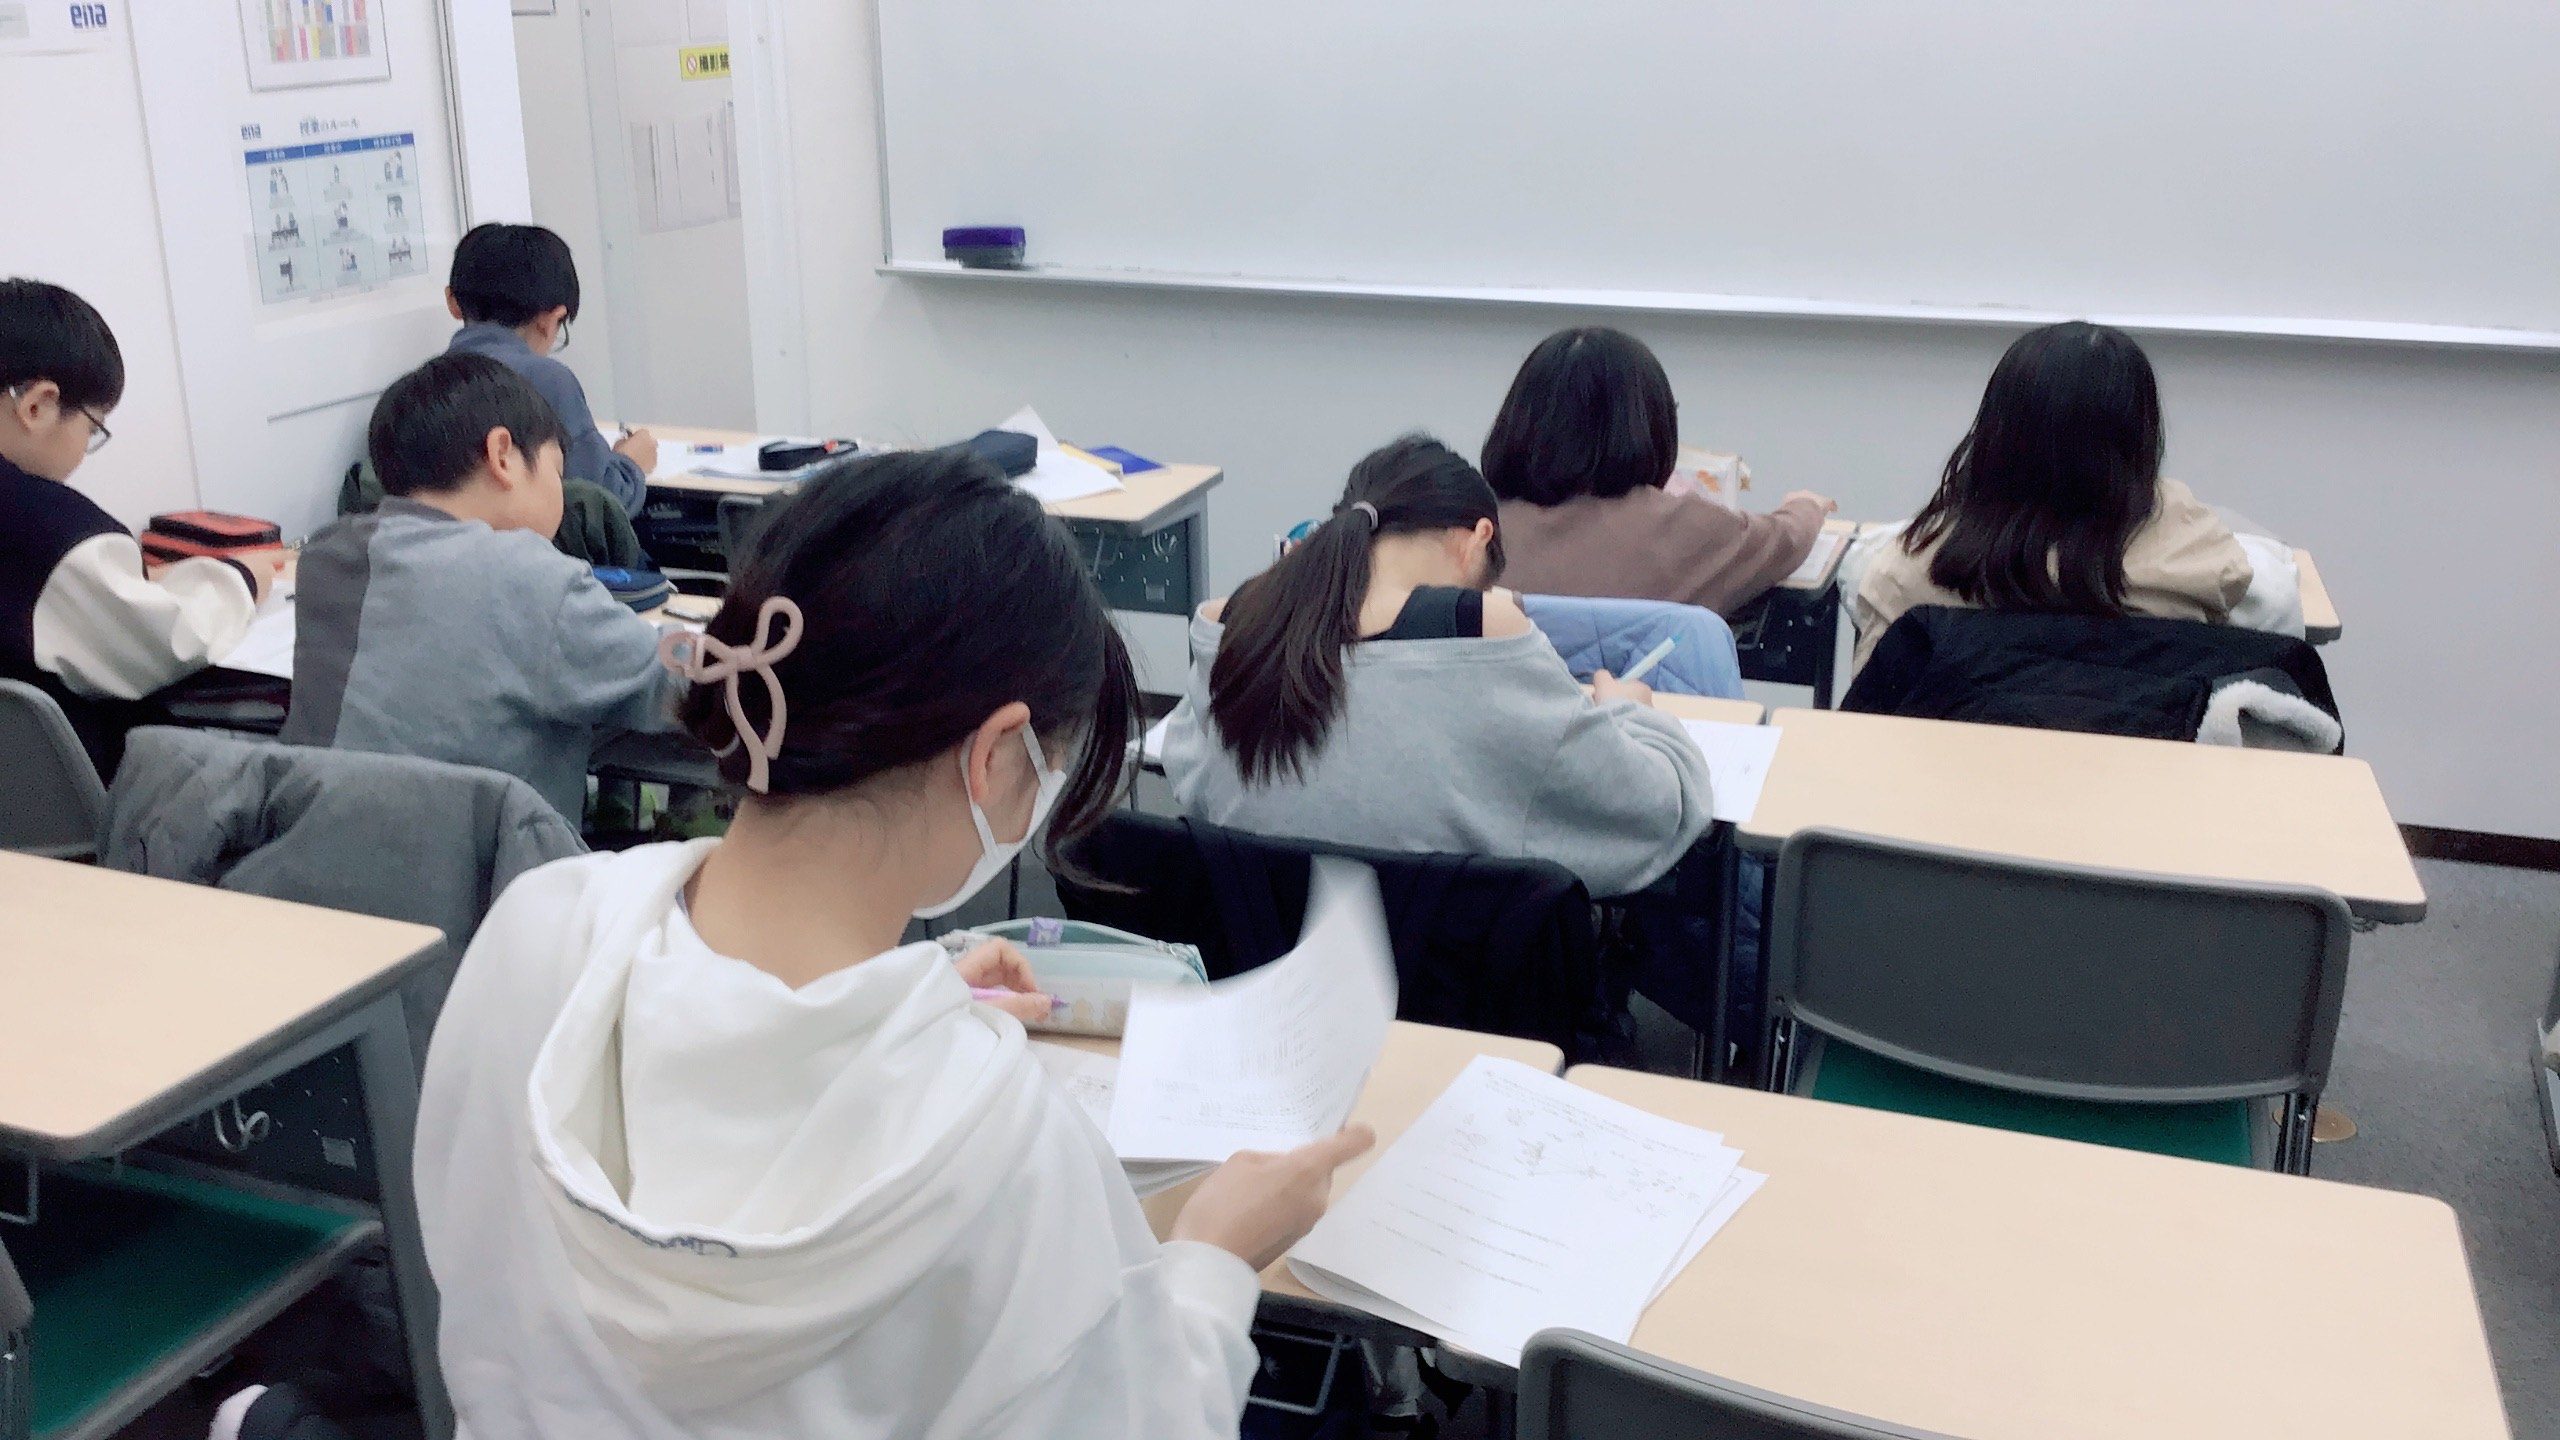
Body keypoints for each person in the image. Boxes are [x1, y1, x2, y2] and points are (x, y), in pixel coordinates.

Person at [414, 448, 1374, 1439]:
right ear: (994, 753)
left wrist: (900, 998)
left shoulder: (534, 929)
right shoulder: (1004, 1148)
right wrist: (1214, 1258)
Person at [1161, 434, 1712, 898]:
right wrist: (1633, 714)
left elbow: (1191, 776)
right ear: (1477, 539)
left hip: (1261, 972)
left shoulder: (1234, 620)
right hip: (1458, 991)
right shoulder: (1481, 631)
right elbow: (1651, 811)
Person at [284, 353, 680, 821]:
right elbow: (685, 682)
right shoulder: (530, 576)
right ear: (502, 455)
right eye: (556, 471)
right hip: (491, 862)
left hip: (316, 845)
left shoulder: (325, 558)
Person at [1850, 321, 2254, 672]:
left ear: (1996, 431)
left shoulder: (1908, 576)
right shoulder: (2200, 564)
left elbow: (1866, 704)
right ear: (2139, 436)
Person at [0, 277, 282, 773]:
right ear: (38, 405)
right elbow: (166, 642)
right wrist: (241, 577)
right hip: (96, 803)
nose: (85, 449)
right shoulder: (47, 530)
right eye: (92, 428)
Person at [1483, 326, 1835, 616]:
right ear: (1648, 423)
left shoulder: (1477, 530)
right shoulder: (1688, 528)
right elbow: (1786, 540)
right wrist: (1805, 505)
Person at [443, 222, 656, 514]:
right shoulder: (547, 380)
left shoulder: (427, 384)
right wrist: (632, 464)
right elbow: (600, 502)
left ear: (453, 303)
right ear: (550, 319)